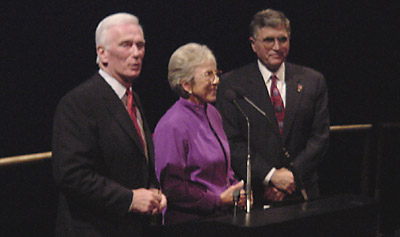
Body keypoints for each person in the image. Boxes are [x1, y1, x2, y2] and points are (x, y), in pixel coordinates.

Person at [52, 12, 167, 236]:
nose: (136, 53)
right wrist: (130, 199)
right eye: (126, 45)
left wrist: (153, 191)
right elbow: (71, 176)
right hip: (93, 229)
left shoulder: (132, 98)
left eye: (140, 45)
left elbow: (136, 159)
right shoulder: (79, 102)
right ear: (102, 53)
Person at [216, 9, 329, 206]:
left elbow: (319, 137)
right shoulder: (232, 85)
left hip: (303, 193)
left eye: (283, 39)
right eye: (269, 40)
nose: (277, 47)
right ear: (253, 44)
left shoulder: (313, 81)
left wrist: (292, 177)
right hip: (257, 194)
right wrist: (271, 176)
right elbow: (232, 142)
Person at [153, 43, 246, 225]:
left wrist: (236, 189)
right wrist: (217, 200)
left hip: (222, 218)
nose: (217, 81)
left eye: (216, 73)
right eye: (208, 75)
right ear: (186, 84)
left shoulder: (212, 113)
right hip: (189, 224)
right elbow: (172, 187)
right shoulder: (172, 125)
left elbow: (222, 168)